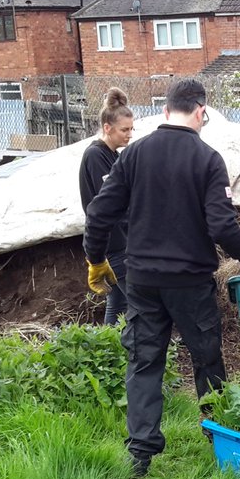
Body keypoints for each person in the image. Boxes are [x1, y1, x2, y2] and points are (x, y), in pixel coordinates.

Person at [84, 78, 240, 478]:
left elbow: (98, 213)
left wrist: (95, 259)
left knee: (144, 362)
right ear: (200, 112)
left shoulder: (133, 154)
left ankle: (139, 455)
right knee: (206, 358)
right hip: (190, 282)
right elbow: (223, 228)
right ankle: (219, 441)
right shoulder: (208, 159)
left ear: (164, 111)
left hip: (141, 281)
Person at [80, 87, 135, 325]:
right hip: (113, 244)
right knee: (137, 301)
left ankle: (108, 345)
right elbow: (109, 204)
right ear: (107, 128)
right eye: (124, 130)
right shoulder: (95, 156)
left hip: (119, 241)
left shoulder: (114, 156)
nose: (129, 135)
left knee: (118, 301)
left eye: (132, 129)